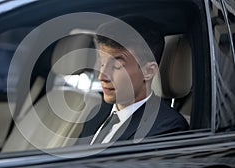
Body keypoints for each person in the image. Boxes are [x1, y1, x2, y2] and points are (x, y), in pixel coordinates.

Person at [77, 16, 189, 145]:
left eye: (116, 66)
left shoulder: (167, 128)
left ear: (148, 71)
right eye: (102, 63)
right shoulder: (97, 112)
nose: (102, 76)